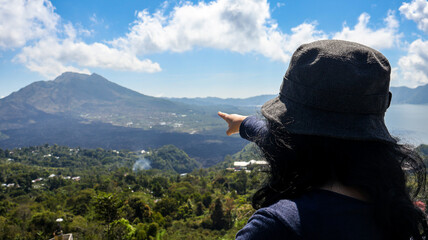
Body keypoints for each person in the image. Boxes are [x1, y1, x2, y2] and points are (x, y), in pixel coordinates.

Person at [218, 40, 427, 240]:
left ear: (292, 136)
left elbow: (291, 146)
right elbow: (295, 144)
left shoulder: (276, 227)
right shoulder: (397, 212)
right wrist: (245, 124)